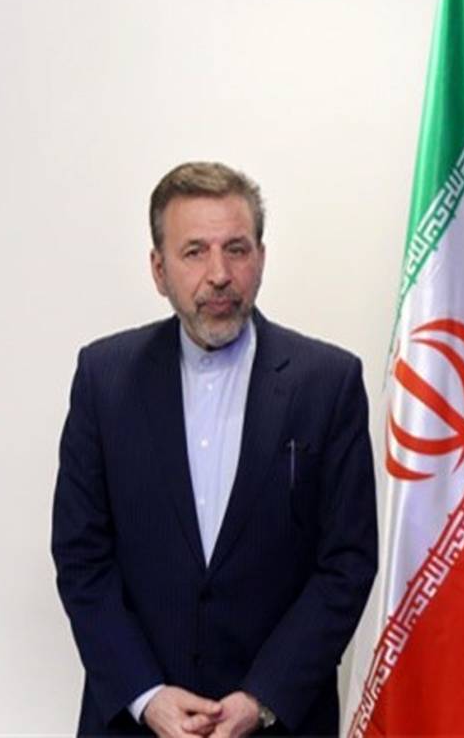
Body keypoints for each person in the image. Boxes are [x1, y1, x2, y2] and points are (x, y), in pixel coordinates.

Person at [50, 162, 377, 737]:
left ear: (261, 259)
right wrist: (147, 697)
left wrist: (261, 699)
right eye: (195, 252)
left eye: (237, 249)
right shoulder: (104, 379)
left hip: (279, 723)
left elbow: (346, 564)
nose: (220, 274)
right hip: (135, 723)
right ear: (159, 270)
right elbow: (81, 556)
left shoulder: (329, 383)